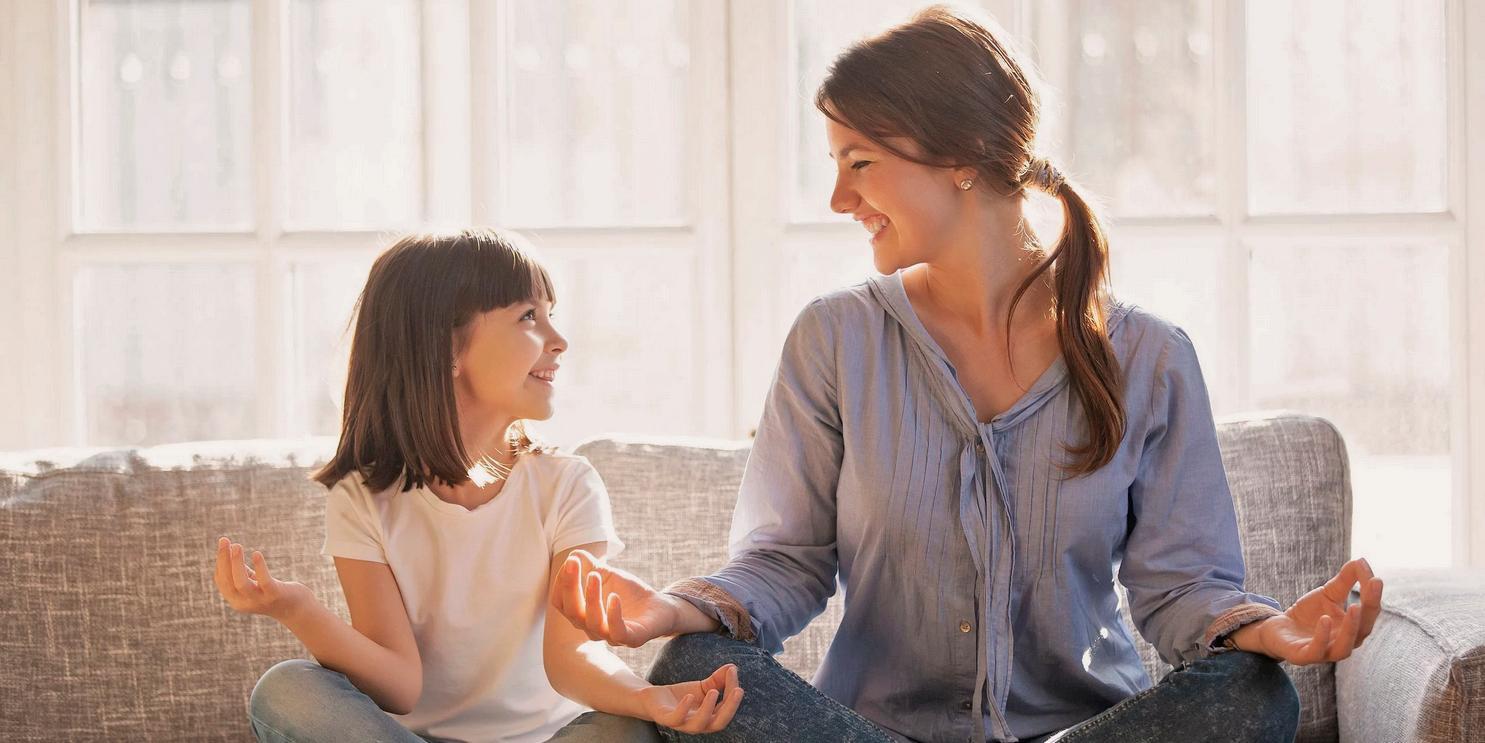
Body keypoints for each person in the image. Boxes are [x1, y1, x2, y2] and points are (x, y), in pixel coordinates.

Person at [549, 6, 1384, 742]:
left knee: (1250, 694)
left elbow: (1181, 591)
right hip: (869, 729)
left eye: (861, 161)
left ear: (960, 157)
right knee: (691, 661)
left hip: (1086, 727)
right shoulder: (835, 338)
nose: (839, 197)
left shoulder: (1149, 356)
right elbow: (786, 561)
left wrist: (1268, 632)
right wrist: (669, 610)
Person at [211, 228, 742, 743]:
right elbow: (400, 684)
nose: (559, 340)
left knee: (625, 727)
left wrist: (648, 699)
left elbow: (570, 659)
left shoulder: (566, 485)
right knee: (286, 691)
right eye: (528, 317)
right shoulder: (362, 499)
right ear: (446, 346)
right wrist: (296, 608)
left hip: (549, 738)